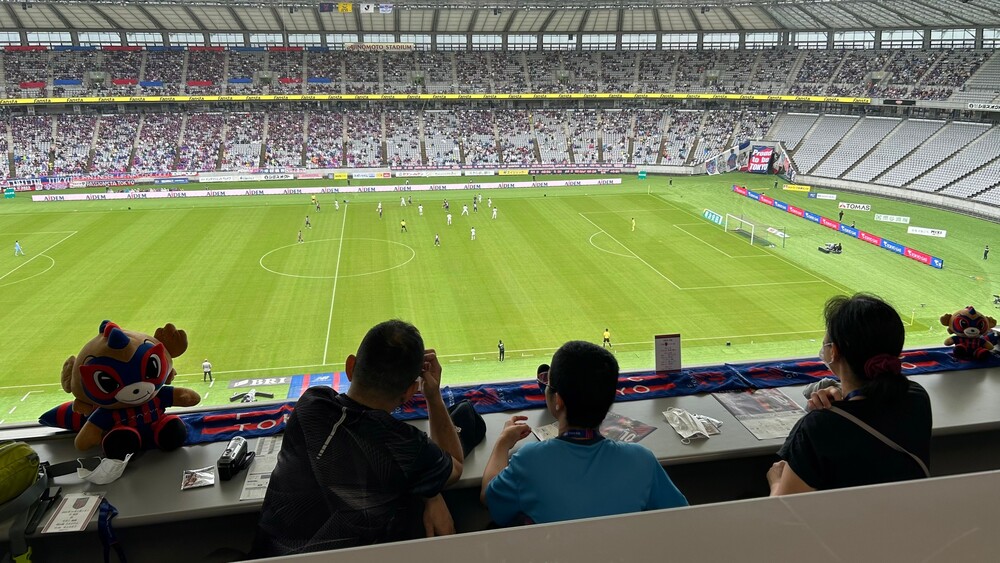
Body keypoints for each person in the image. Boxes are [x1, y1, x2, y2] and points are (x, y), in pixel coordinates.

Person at [251, 320, 464, 556]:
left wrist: (429, 491)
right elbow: (454, 463)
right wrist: (433, 396)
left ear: (350, 366)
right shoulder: (405, 446)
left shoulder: (311, 404)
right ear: (411, 391)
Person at [481, 341, 687, 525]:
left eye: (548, 384)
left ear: (558, 400)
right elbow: (683, 518)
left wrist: (503, 442)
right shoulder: (642, 461)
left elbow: (489, 497)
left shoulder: (529, 460)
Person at [767, 294, 932, 496]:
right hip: (908, 514)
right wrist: (843, 394)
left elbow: (783, 509)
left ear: (834, 351)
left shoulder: (818, 428)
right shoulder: (917, 397)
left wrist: (776, 481)